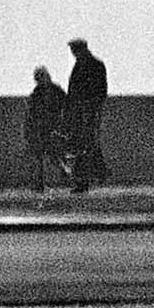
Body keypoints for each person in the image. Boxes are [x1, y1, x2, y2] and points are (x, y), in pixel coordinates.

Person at [65, 37, 110, 192]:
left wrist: (88, 108)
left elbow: (98, 90)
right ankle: (99, 174)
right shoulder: (93, 64)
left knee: (83, 147)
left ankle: (83, 182)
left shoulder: (88, 65)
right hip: (85, 112)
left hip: (85, 112)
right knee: (88, 145)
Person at [23, 64, 69, 191]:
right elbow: (31, 113)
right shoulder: (38, 93)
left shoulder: (55, 91)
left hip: (53, 128)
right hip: (41, 130)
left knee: (54, 155)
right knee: (40, 157)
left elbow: (66, 106)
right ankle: (39, 184)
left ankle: (65, 174)